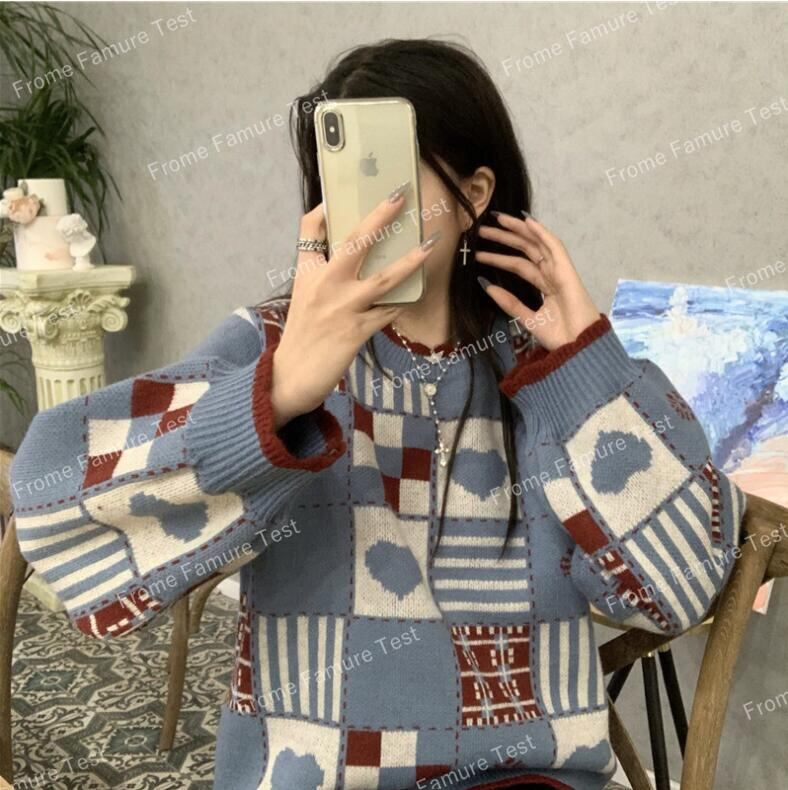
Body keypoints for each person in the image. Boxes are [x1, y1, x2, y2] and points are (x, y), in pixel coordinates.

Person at [10, 39, 744, 790]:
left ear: (475, 194)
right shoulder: (274, 345)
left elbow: (679, 590)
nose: (360, 206)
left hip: (533, 776)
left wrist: (587, 365)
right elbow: (50, 503)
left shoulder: (545, 365)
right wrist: (278, 394)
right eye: (339, 175)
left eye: (381, 169)